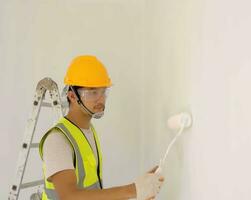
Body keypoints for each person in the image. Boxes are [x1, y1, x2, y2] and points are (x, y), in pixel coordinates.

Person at [39, 55, 164, 200]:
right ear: (72, 96)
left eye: (103, 91)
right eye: (92, 92)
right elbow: (69, 196)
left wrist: (140, 191)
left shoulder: (88, 132)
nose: (101, 99)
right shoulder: (58, 140)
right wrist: (133, 190)